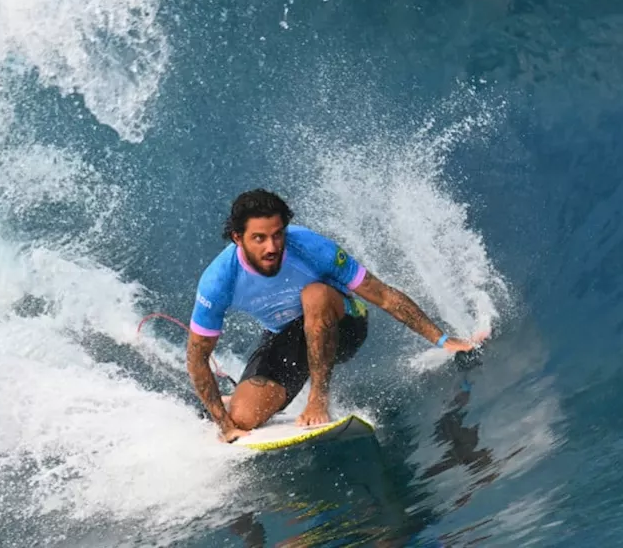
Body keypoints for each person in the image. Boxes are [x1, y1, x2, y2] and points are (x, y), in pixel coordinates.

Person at [187, 189, 482, 442]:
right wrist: (225, 425)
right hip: (287, 338)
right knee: (244, 417)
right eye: (259, 238)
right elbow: (198, 356)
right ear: (238, 238)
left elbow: (381, 294)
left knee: (314, 295)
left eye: (278, 235)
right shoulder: (219, 280)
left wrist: (443, 339)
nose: (272, 247)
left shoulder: (309, 247)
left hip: (343, 324)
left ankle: (318, 399)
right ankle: (231, 402)